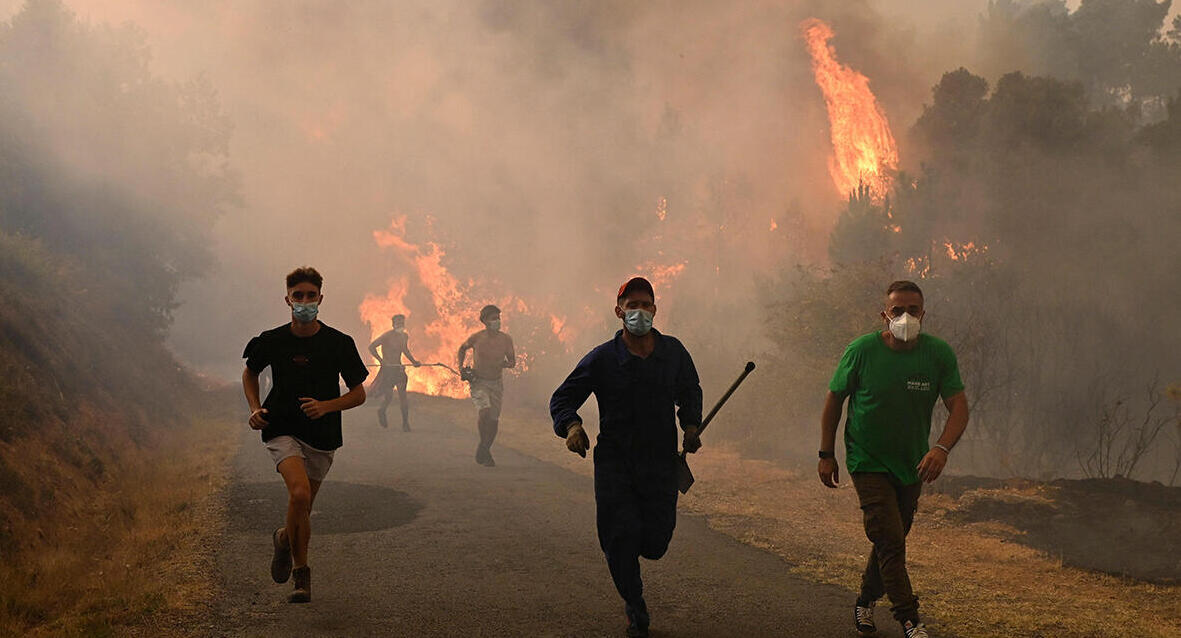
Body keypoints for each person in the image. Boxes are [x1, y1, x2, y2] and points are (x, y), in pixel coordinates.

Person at [549, 277, 702, 638]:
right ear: (619, 311)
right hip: (615, 464)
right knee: (620, 538)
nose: (639, 311)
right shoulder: (603, 358)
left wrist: (691, 425)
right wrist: (571, 427)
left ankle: (639, 562)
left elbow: (689, 390)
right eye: (632, 305)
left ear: (655, 309)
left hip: (661, 464)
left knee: (655, 543)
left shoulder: (673, 352)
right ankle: (636, 607)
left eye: (646, 304)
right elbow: (562, 398)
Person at [818, 280, 969, 638]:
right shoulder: (861, 351)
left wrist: (941, 448)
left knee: (893, 537)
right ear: (884, 315)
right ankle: (909, 619)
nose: (904, 317)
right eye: (897, 310)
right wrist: (827, 453)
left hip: (912, 463)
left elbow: (958, 406)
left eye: (912, 310)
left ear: (923, 314)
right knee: (889, 538)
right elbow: (834, 400)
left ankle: (865, 600)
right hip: (866, 459)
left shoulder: (938, 354)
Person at [241, 267, 369, 603]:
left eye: (311, 296)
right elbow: (250, 373)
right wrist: (255, 408)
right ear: (287, 299)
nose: (304, 302)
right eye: (298, 296)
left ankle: (284, 538)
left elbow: (359, 393)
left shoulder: (339, 343)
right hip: (280, 427)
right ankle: (302, 576)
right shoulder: (271, 340)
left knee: (303, 508)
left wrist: (327, 406)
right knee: (298, 494)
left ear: (320, 299)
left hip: (322, 435)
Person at [457, 304, 515, 466]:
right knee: (484, 413)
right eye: (493, 318)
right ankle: (484, 448)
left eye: (498, 318)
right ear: (484, 321)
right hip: (479, 382)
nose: (497, 321)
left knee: (494, 420)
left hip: (496, 383)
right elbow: (462, 349)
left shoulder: (505, 339)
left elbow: (512, 360)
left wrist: (506, 364)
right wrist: (461, 368)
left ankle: (484, 448)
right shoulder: (477, 338)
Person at [368, 314, 421, 431]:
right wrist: (381, 361)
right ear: (393, 324)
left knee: (403, 397)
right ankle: (382, 411)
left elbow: (405, 350)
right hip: (388, 371)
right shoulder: (387, 336)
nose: (400, 324)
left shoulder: (404, 336)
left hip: (399, 369)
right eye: (398, 322)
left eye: (402, 322)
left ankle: (405, 424)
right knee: (389, 397)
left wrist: (414, 361)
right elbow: (371, 347)